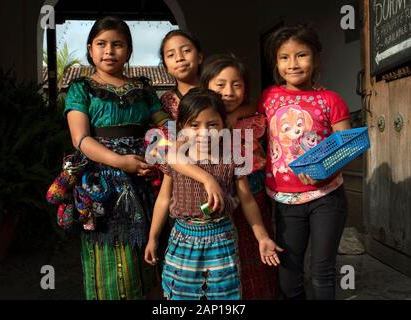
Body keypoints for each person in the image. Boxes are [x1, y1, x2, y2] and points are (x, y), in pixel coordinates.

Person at [63, 16, 171, 300]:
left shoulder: (144, 89)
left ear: (129, 51)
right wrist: (120, 161)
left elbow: (166, 129)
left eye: (117, 44)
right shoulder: (81, 88)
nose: (108, 51)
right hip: (100, 185)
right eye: (101, 44)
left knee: (143, 254)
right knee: (105, 255)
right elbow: (80, 139)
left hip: (141, 182)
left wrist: (156, 163)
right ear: (90, 49)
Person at [144, 88, 281, 300]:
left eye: (212, 125)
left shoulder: (232, 158)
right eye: (194, 125)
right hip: (183, 241)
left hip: (222, 240)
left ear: (224, 125)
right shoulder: (176, 160)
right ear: (182, 127)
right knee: (181, 294)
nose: (204, 133)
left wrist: (262, 236)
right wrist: (153, 238)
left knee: (223, 295)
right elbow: (163, 199)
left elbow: (247, 199)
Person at [259, 23, 351, 300]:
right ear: (276, 63)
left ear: (316, 58)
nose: (293, 64)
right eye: (284, 57)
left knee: (322, 272)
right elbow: (242, 119)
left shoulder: (330, 100)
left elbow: (346, 144)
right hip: (285, 203)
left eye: (302, 55)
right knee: (288, 274)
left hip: (327, 197)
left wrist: (325, 169)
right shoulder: (268, 97)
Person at [199, 53, 278, 299]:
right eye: (220, 85)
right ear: (206, 87)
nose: (229, 91)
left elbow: (258, 105)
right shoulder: (201, 123)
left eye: (237, 85)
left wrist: (237, 115)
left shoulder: (252, 119)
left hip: (253, 189)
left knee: (255, 245)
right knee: (227, 251)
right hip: (219, 193)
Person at [159, 30, 254, 128]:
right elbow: (169, 130)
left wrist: (236, 114)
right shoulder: (167, 101)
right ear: (166, 67)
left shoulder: (215, 88)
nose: (179, 58)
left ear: (200, 57)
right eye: (171, 55)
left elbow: (250, 106)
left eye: (186, 50)